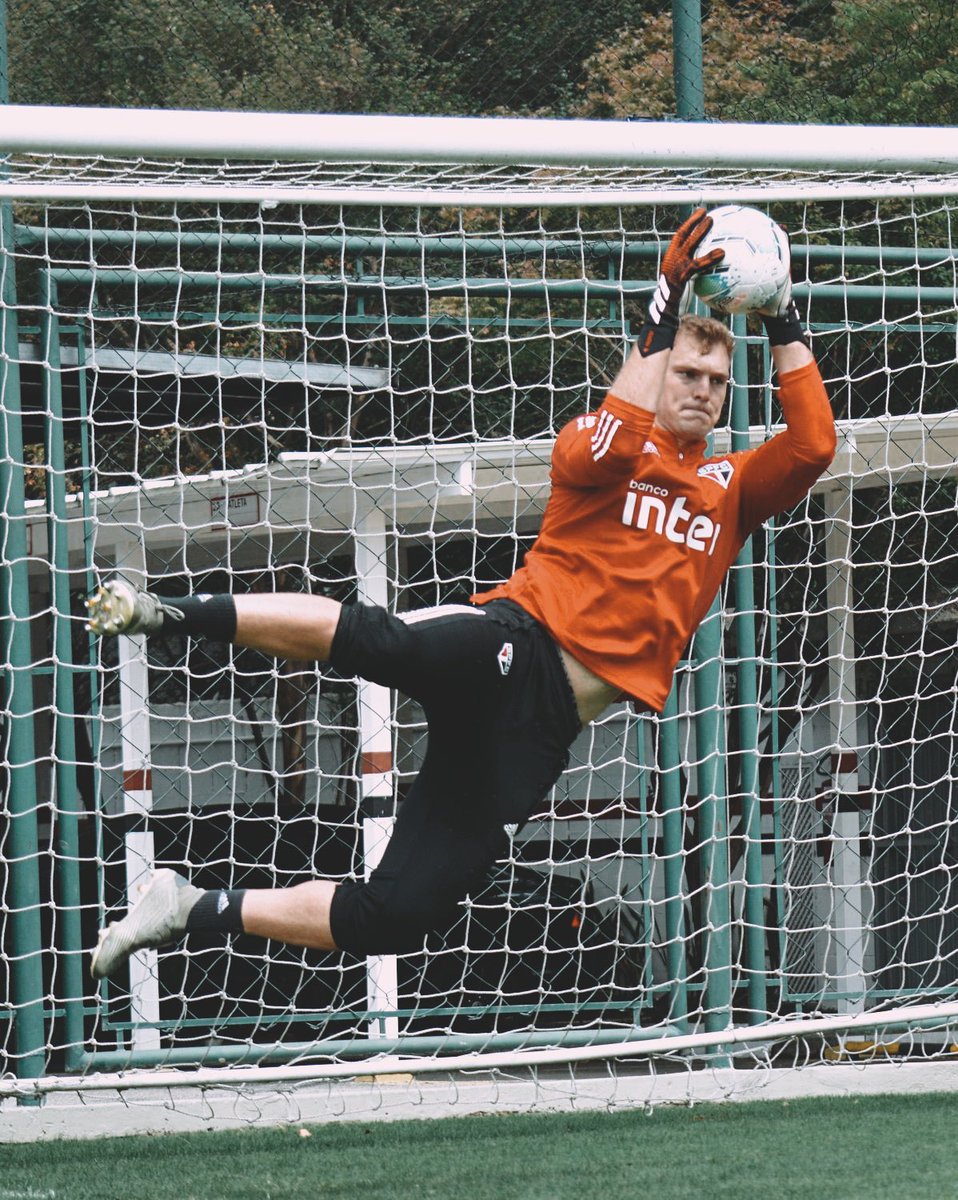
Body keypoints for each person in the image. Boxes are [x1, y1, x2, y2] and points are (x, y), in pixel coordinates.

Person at [87, 208, 836, 980]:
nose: (705, 391)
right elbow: (617, 437)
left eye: (716, 381)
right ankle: (169, 612)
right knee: (389, 643)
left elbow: (813, 444)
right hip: (517, 644)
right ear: (655, 368)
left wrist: (781, 315)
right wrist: (661, 311)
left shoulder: (731, 486)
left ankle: (183, 906)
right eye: (688, 373)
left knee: (395, 915)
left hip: (542, 725)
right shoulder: (597, 443)